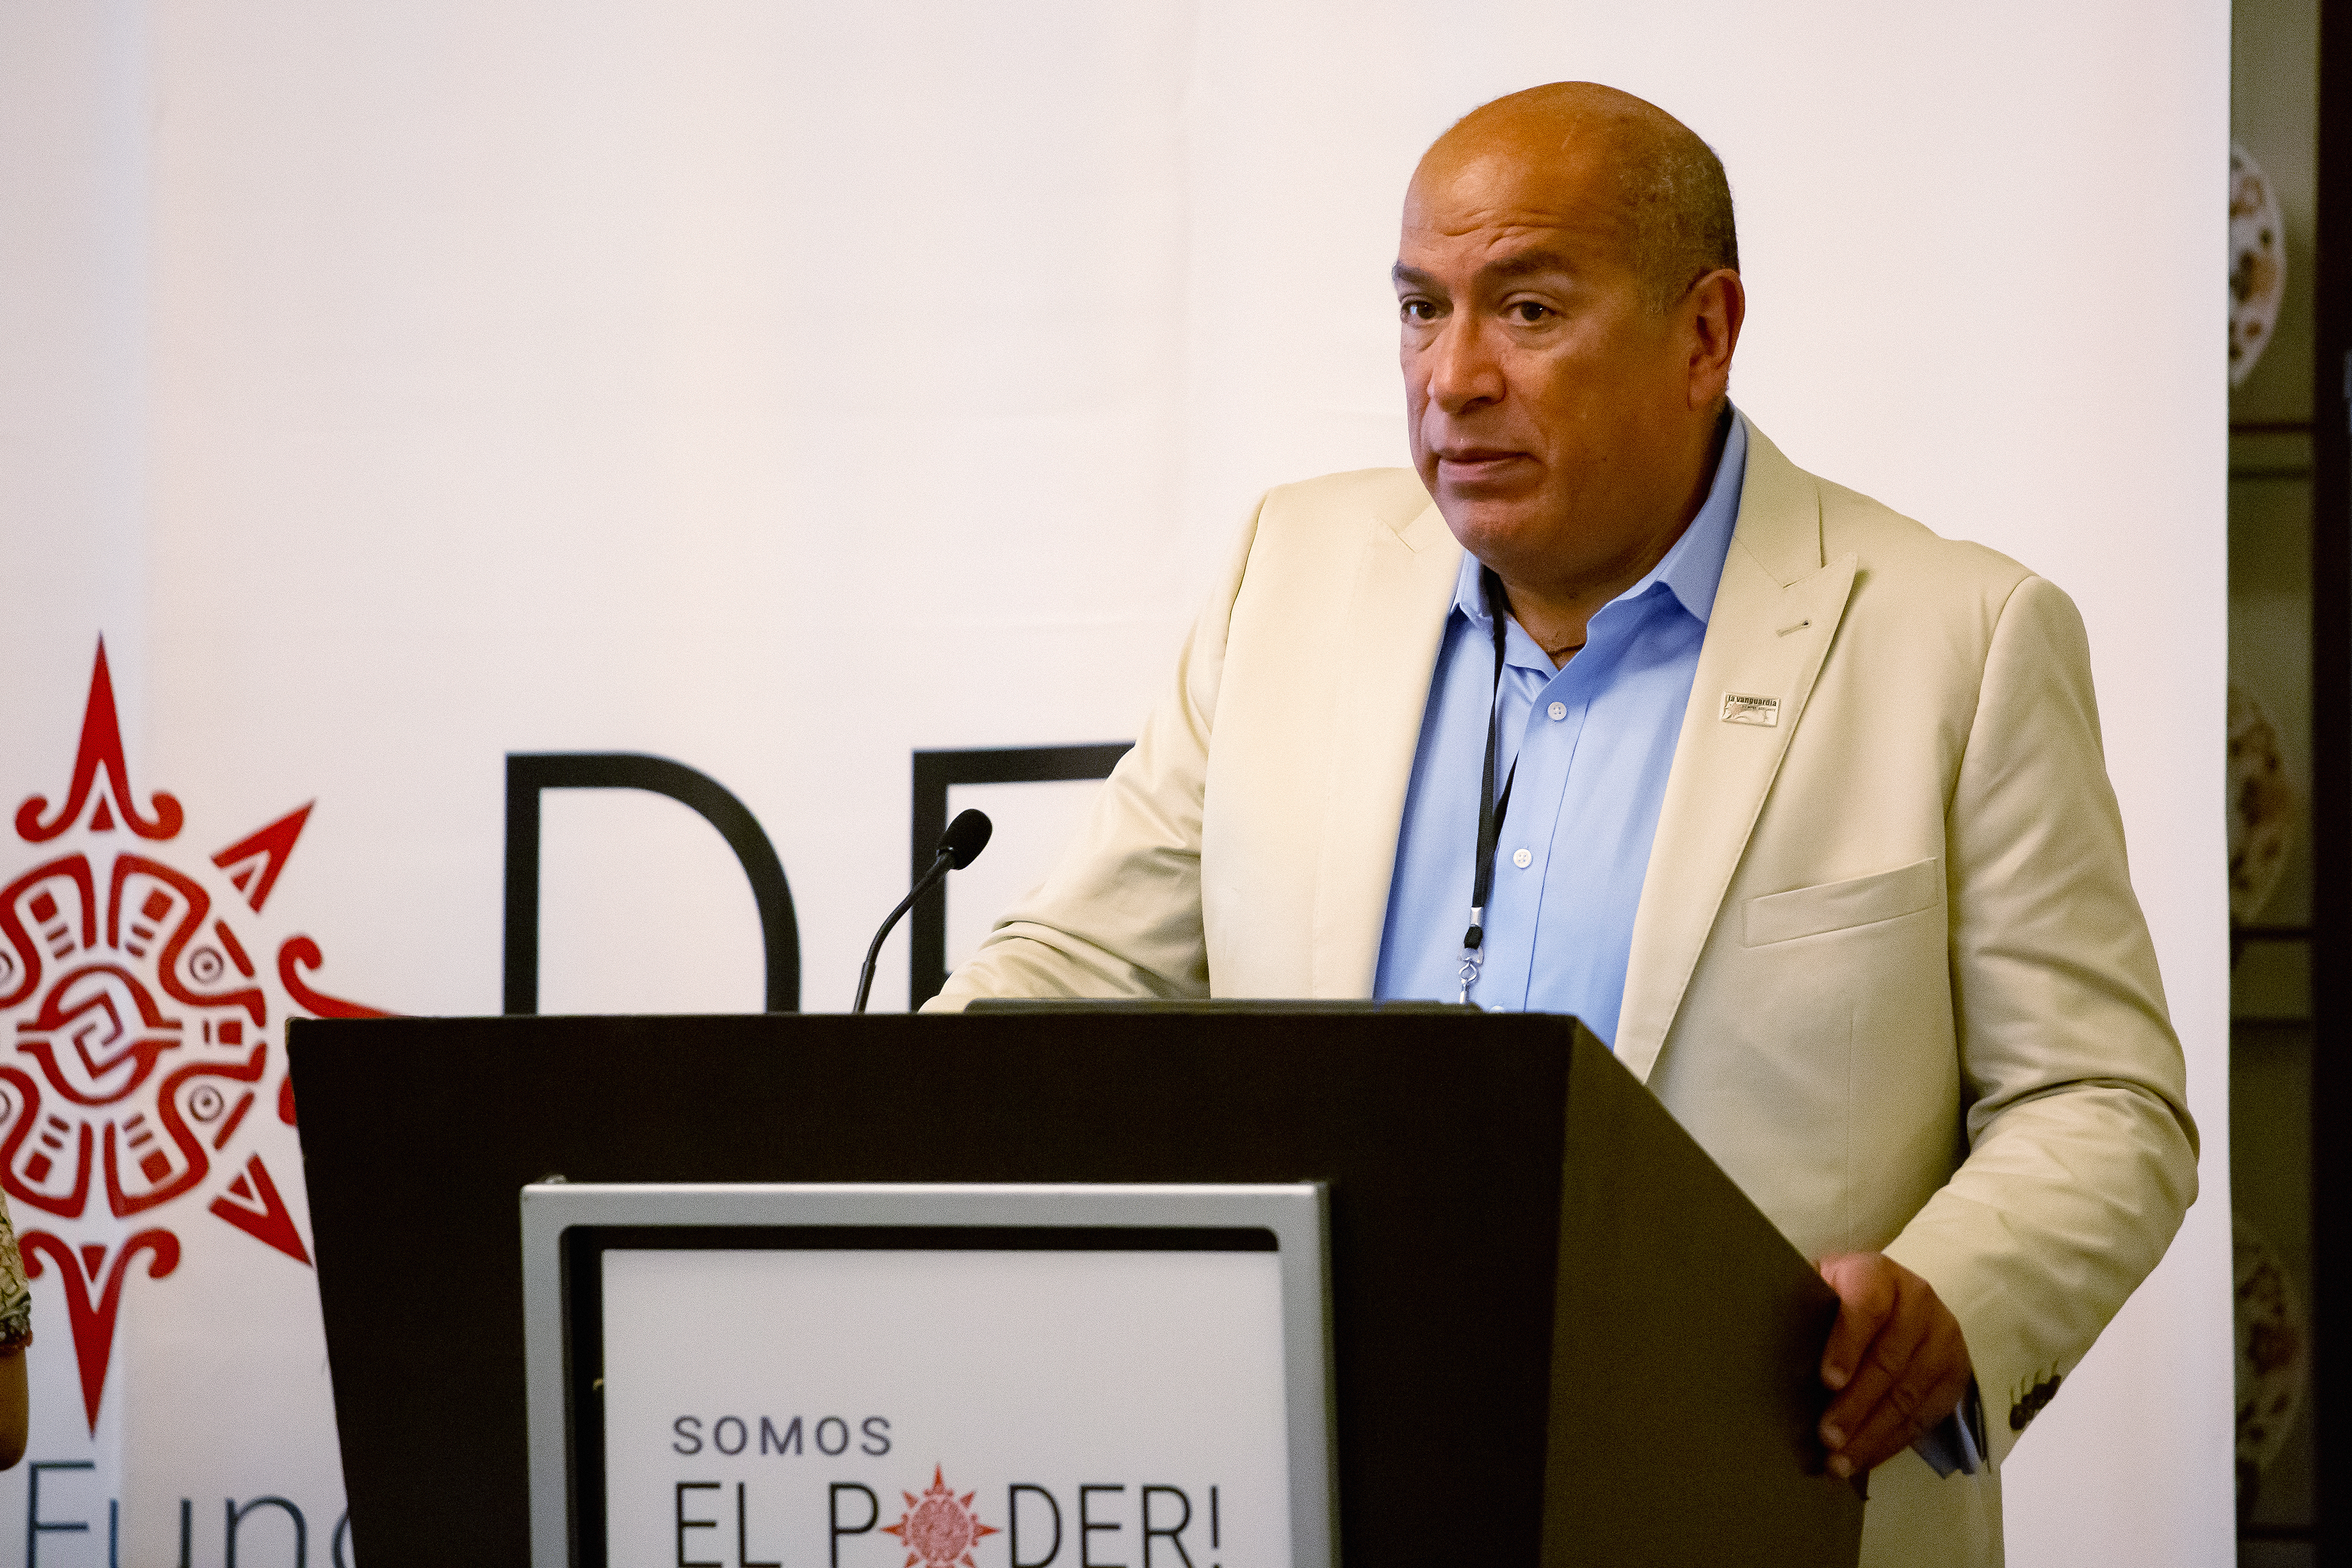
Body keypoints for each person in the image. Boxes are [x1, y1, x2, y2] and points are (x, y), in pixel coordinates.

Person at [927, 82, 2195, 1566]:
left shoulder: (1954, 637)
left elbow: (2101, 1103)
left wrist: (1947, 1296)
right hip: (1320, 1483)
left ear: (1702, 333)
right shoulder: (1292, 574)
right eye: (1419, 310)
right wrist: (855, 1146)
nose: (1451, 377)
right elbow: (1083, 973)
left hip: (1759, 1495)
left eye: (1525, 310)